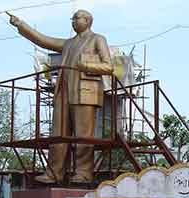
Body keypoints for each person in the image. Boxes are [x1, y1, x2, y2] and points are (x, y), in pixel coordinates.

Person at [8, 10, 113, 183]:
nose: (73, 21)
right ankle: (54, 173)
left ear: (88, 21)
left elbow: (108, 66)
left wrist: (85, 65)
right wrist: (21, 24)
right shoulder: (69, 43)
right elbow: (43, 40)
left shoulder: (97, 39)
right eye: (72, 19)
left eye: (76, 18)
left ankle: (83, 173)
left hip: (84, 92)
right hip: (64, 92)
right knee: (58, 134)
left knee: (83, 135)